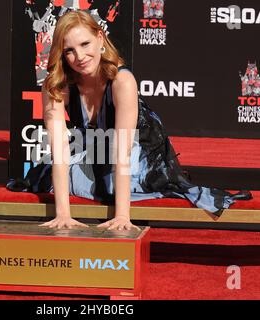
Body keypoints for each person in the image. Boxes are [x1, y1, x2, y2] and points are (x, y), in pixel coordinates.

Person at [13, 10, 251, 230]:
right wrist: (63, 214)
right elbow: (60, 148)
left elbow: (123, 150)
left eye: (85, 44)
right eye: (69, 51)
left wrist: (122, 215)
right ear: (61, 54)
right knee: (52, 179)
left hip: (137, 149)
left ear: (100, 37)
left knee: (111, 186)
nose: (80, 56)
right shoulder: (56, 85)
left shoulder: (122, 81)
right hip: (96, 145)